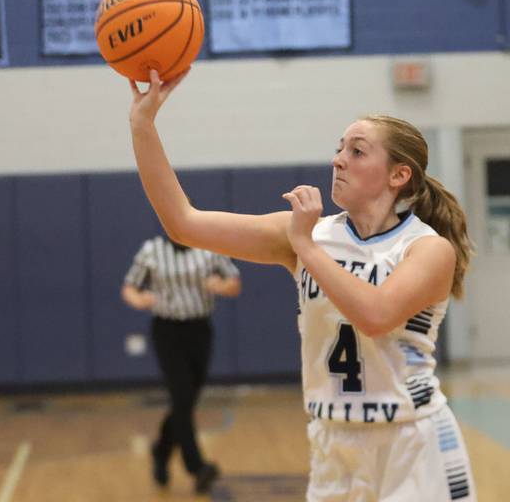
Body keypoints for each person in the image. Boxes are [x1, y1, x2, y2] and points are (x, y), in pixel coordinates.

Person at [126, 69, 476, 501]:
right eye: (338, 149)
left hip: (411, 443)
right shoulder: (309, 235)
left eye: (357, 151)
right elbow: (184, 223)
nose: (338, 159)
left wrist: (305, 248)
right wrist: (143, 127)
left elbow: (377, 315)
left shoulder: (427, 249)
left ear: (398, 175)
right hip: (332, 444)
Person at [121, 234, 240, 493]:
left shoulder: (210, 246)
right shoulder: (152, 250)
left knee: (185, 402)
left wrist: (221, 286)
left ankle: (161, 451)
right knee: (182, 396)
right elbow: (130, 287)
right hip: (167, 331)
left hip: (199, 330)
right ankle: (197, 467)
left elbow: (234, 282)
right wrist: (139, 300)